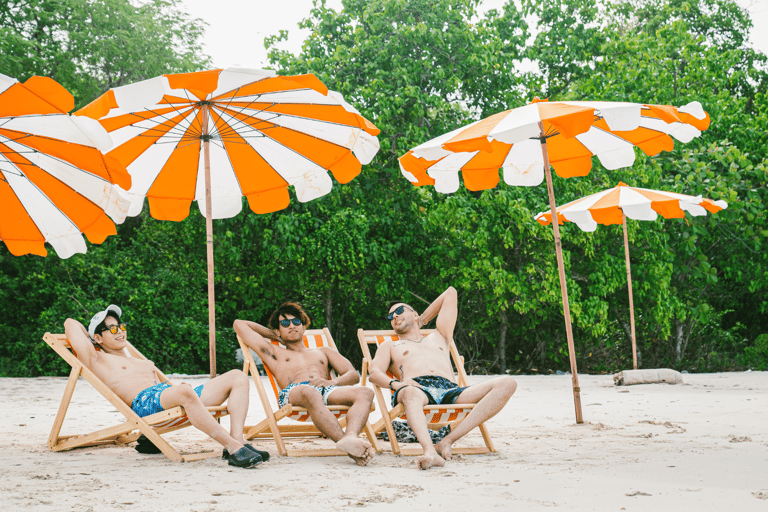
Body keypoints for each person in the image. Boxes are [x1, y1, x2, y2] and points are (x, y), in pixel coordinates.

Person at [63, 304, 265, 468]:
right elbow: (70, 323)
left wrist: (176, 391)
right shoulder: (97, 359)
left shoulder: (139, 360)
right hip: (145, 405)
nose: (120, 331)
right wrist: (92, 340)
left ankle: (238, 438)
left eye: (121, 326)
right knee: (185, 391)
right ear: (98, 338)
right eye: (113, 329)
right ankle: (232, 448)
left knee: (237, 376)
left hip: (169, 397)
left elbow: (166, 388)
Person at [369, 286, 517, 470]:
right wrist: (396, 384)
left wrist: (422, 320)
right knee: (410, 393)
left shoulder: (440, 335)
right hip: (416, 388)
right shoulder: (390, 346)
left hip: (451, 390)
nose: (395, 317)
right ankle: (429, 451)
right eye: (390, 317)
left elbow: (451, 293)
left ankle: (446, 441)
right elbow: (374, 374)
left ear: (414, 314)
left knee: (508, 383)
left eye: (399, 311)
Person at [234, 302, 376, 466]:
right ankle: (347, 446)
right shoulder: (273, 352)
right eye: (285, 323)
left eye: (296, 322)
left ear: (304, 327)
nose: (292, 326)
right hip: (295, 393)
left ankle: (351, 437)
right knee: (310, 391)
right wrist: (274, 336)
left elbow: (352, 375)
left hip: (327, 390)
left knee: (365, 392)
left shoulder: (323, 351)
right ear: (278, 329)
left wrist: (332, 381)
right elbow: (239, 324)